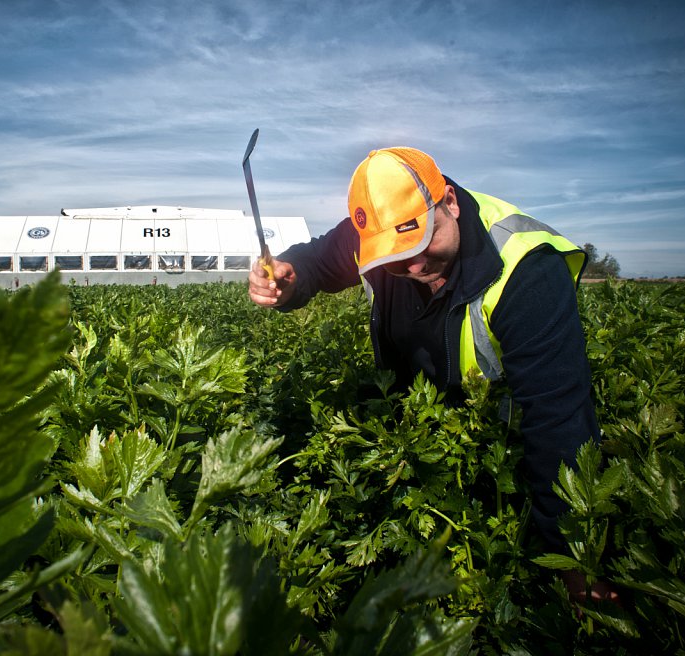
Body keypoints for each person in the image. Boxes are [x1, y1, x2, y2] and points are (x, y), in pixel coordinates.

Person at [248, 146, 617, 605]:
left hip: (501, 444)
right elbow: (318, 261)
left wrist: (571, 557)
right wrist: (287, 278)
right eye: (395, 257)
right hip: (417, 431)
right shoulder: (377, 233)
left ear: (450, 204)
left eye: (425, 241)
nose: (415, 265)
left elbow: (557, 416)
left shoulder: (527, 268)